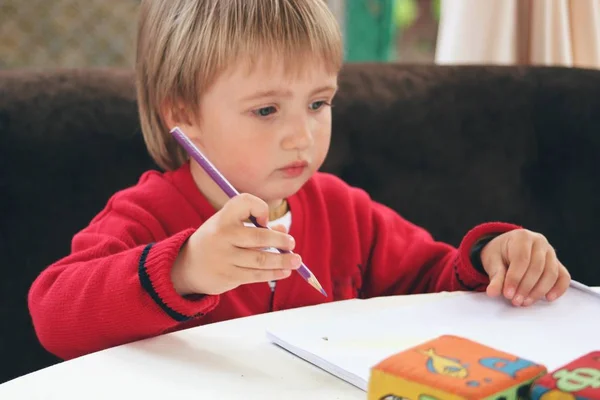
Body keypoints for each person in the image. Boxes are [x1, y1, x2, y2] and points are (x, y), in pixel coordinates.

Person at [28, 0, 571, 361]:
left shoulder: (342, 210)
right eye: (266, 110)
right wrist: (187, 268)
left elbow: (434, 279)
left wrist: (492, 258)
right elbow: (53, 316)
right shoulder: (146, 214)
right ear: (183, 113)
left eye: (318, 103)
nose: (301, 136)